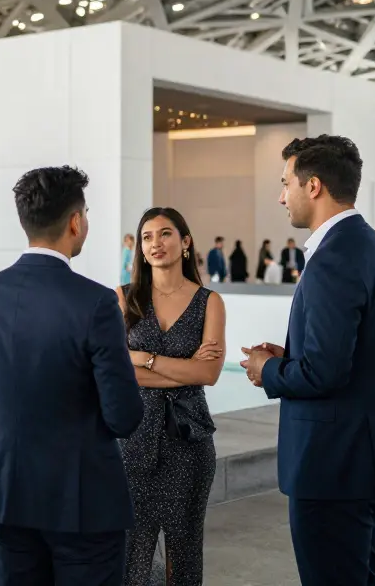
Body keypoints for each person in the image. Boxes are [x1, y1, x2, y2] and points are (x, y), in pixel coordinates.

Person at [242, 135, 375, 586]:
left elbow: (325, 371)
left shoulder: (332, 259)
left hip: (333, 465)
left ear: (313, 186)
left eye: (286, 184)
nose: (282, 197)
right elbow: (362, 354)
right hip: (370, 456)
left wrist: (269, 371)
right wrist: (294, 355)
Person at [0, 166, 143, 586]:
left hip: (8, 494)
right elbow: (124, 416)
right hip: (83, 501)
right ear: (75, 222)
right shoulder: (96, 303)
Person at [116, 207, 225, 586]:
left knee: (185, 551)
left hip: (190, 442)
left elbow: (208, 373)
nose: (155, 243)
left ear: (185, 242)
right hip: (132, 440)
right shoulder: (123, 299)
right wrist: (181, 370)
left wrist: (143, 359)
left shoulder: (209, 301)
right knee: (131, 554)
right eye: (147, 237)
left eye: (165, 234)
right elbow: (115, 374)